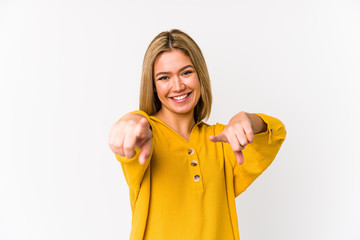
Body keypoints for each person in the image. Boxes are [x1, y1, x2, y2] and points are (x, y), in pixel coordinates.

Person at [108, 29, 287, 240]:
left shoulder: (222, 139)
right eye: (164, 77)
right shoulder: (147, 134)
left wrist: (247, 119)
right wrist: (132, 120)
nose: (178, 86)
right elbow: (132, 132)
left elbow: (275, 133)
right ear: (154, 86)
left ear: (200, 75)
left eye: (186, 72)